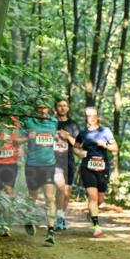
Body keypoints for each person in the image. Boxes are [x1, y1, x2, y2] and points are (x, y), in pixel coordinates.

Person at [16, 101, 59, 245]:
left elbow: (61, 136)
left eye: (44, 107)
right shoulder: (28, 122)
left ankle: (51, 231)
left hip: (48, 165)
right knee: (32, 197)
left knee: (49, 197)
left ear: (48, 109)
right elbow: (16, 140)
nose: (42, 110)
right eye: (39, 107)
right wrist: (28, 137)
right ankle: (28, 218)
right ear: (35, 110)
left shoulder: (54, 122)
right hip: (32, 165)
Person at [73, 106, 117, 238]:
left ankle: (93, 212)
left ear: (97, 117)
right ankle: (96, 226)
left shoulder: (105, 131)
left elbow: (115, 148)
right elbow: (75, 147)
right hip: (87, 167)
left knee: (100, 199)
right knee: (91, 196)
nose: (91, 118)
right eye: (88, 115)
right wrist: (80, 153)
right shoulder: (83, 133)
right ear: (85, 117)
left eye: (93, 115)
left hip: (103, 168)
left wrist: (104, 145)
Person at [54, 99, 81, 231]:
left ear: (68, 108)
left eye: (65, 106)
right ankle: (58, 217)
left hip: (68, 160)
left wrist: (67, 136)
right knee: (60, 188)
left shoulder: (73, 125)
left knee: (66, 192)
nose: (62, 108)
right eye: (60, 106)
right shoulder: (51, 122)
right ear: (56, 108)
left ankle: (62, 216)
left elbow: (77, 144)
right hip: (53, 160)